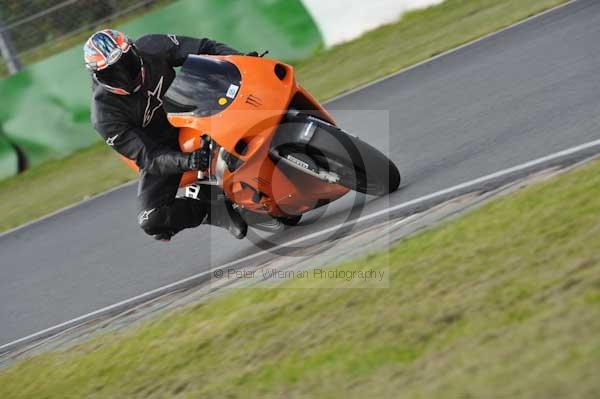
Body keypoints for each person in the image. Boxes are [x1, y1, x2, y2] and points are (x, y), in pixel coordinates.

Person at [84, 29, 248, 241]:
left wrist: (242, 61)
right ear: (97, 75)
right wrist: (188, 161)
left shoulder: (152, 45)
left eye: (126, 64)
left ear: (133, 50)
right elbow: (148, 157)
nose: (123, 75)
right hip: (160, 146)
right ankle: (211, 209)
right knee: (151, 219)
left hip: (196, 109)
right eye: (112, 73)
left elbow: (205, 46)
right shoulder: (104, 115)